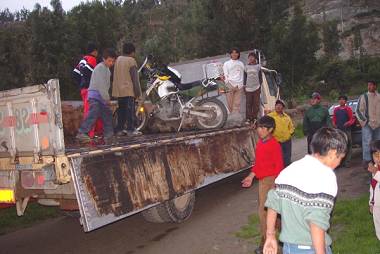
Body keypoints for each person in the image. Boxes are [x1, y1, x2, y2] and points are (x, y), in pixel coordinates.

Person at [263, 127, 347, 254]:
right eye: (340, 158)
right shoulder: (326, 177)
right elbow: (316, 221)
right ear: (333, 153)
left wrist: (270, 236)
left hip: (289, 248)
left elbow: (272, 203)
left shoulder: (289, 170)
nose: (339, 162)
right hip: (311, 249)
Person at [241, 115, 284, 254]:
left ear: (270, 129)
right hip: (263, 182)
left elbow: (279, 167)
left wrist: (275, 185)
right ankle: (278, 239)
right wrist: (251, 176)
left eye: (262, 128)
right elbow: (258, 164)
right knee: (271, 212)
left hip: (271, 181)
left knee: (263, 213)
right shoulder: (261, 143)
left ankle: (269, 245)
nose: (259, 130)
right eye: (258, 127)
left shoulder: (274, 145)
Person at [76, 48, 117, 143]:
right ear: (104, 59)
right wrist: (107, 98)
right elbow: (101, 85)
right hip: (95, 96)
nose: (111, 63)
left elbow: (106, 86)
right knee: (93, 113)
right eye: (109, 61)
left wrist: (106, 97)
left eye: (113, 61)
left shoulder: (107, 71)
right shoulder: (100, 68)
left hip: (101, 98)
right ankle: (82, 133)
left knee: (107, 115)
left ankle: (109, 136)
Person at [72, 42, 103, 138]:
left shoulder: (83, 60)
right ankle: (88, 133)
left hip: (84, 89)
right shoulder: (92, 59)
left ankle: (98, 132)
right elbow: (87, 71)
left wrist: (81, 84)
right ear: (94, 51)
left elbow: (75, 73)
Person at [112, 43, 142, 136]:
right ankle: (131, 130)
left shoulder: (118, 60)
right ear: (132, 52)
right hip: (128, 90)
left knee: (121, 111)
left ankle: (119, 129)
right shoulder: (131, 61)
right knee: (130, 112)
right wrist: (138, 93)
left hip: (119, 91)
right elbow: (135, 79)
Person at [356, 81, 380, 168]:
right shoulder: (364, 96)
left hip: (378, 124)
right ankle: (367, 161)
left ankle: (377, 161)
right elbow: (358, 110)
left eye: (371, 85)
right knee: (367, 142)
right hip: (368, 125)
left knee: (377, 142)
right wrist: (365, 121)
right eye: (368, 85)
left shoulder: (379, 97)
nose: (369, 87)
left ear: (375, 86)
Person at [268, 99, 295, 167]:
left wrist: (290, 134)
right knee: (277, 161)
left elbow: (291, 127)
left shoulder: (287, 117)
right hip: (276, 142)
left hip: (287, 141)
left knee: (287, 160)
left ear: (283, 108)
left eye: (280, 105)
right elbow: (265, 128)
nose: (278, 107)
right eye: (277, 105)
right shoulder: (270, 116)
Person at [332, 95, 355, 167]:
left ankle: (347, 162)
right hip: (338, 130)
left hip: (347, 130)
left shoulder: (348, 109)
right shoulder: (336, 109)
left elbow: (352, 119)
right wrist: (334, 124)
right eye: (340, 99)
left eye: (343, 99)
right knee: (339, 146)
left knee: (348, 145)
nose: (341, 101)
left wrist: (348, 123)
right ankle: (339, 162)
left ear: (345, 101)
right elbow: (334, 119)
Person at [223, 48, 245, 114]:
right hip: (230, 84)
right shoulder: (226, 63)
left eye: (236, 52)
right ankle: (231, 117)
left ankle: (236, 119)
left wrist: (242, 84)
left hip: (239, 86)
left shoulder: (241, 63)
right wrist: (227, 82)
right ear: (230, 54)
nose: (234, 54)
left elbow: (244, 74)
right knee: (229, 103)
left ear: (238, 54)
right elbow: (225, 74)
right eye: (232, 53)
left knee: (237, 104)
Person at [244, 52, 262, 124]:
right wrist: (244, 86)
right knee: (248, 104)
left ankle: (254, 118)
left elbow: (260, 78)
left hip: (256, 88)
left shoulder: (258, 66)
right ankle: (248, 119)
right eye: (249, 57)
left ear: (255, 58)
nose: (250, 58)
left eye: (252, 57)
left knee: (256, 104)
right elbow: (244, 77)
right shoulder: (246, 67)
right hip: (248, 88)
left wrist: (259, 86)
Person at [368, 140, 380, 240]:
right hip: (377, 204)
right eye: (376, 155)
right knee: (378, 227)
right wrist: (371, 203)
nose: (378, 158)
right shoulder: (375, 168)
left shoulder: (376, 171)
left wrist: (376, 173)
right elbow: (373, 187)